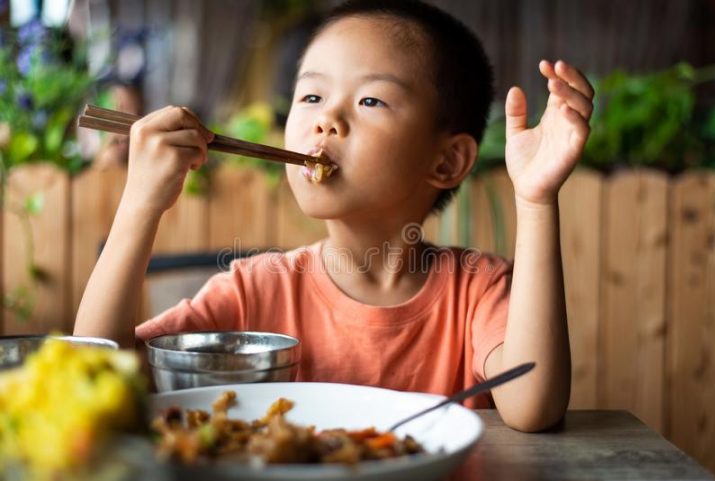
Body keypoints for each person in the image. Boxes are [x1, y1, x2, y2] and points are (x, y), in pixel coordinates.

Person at [74, 0, 593, 432]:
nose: (326, 119)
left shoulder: (477, 290)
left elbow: (533, 407)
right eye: (312, 95)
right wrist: (139, 203)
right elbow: (98, 374)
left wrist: (536, 200)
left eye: (370, 99)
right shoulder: (257, 290)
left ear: (447, 160)